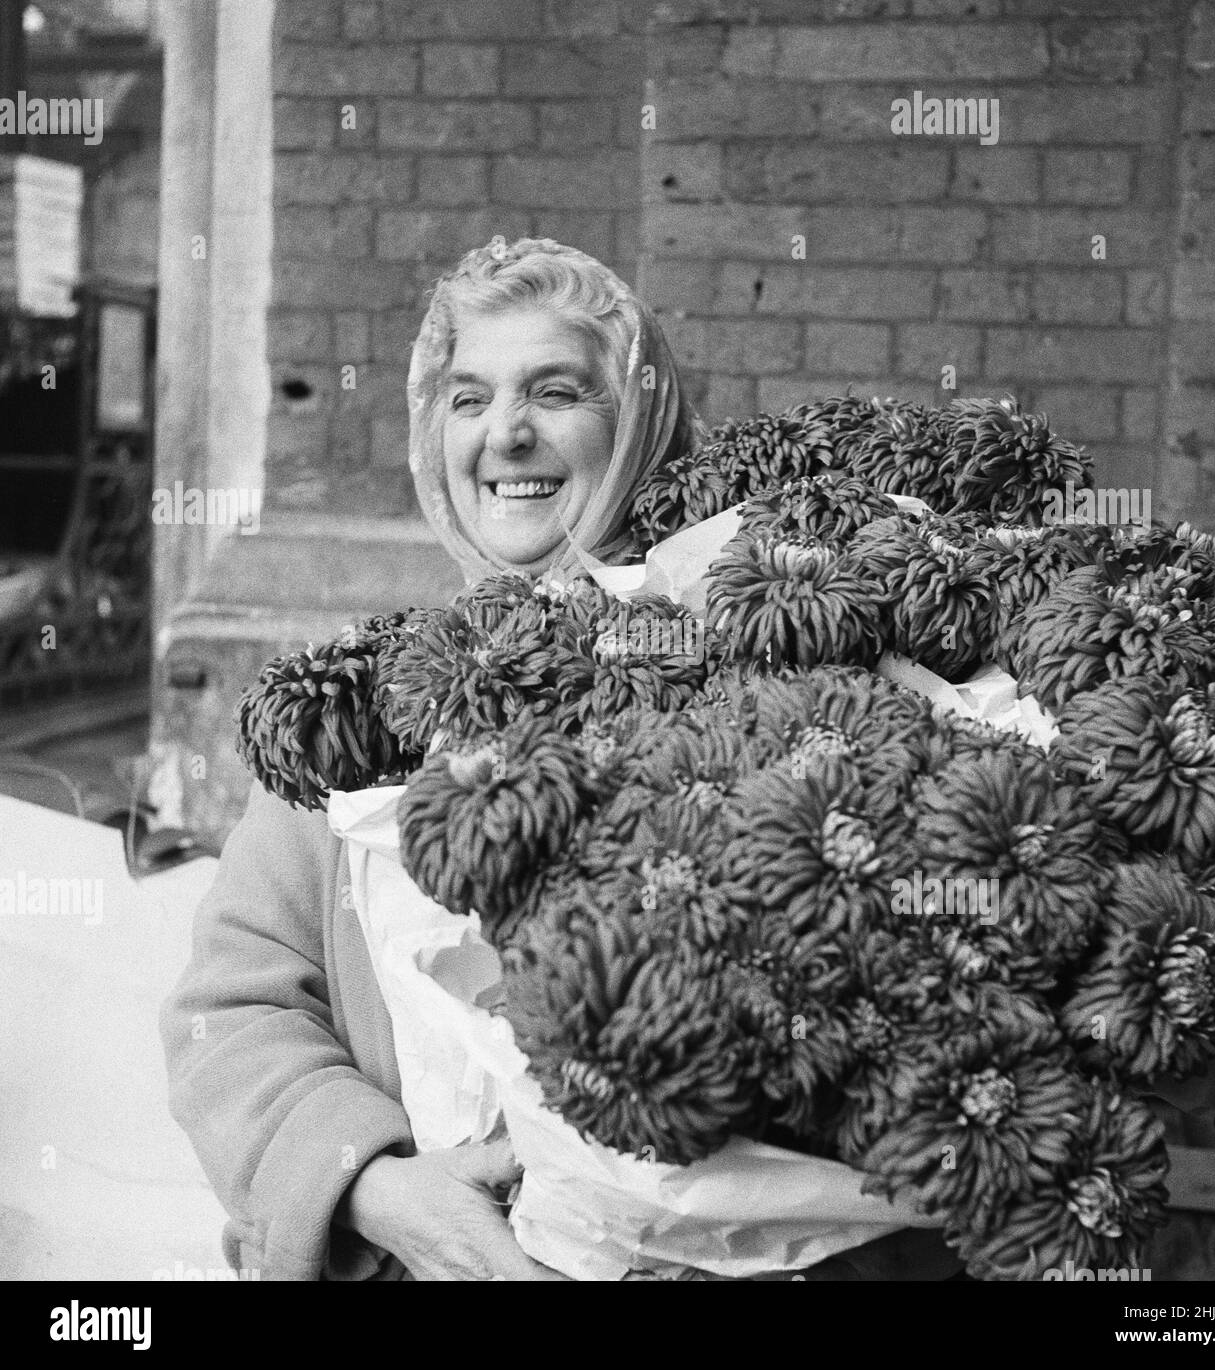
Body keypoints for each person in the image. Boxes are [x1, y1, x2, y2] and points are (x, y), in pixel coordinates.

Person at [161, 236, 962, 1281]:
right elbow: (231, 1010)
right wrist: (376, 1186)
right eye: (466, 398)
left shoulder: (782, 670)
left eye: (556, 391)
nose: (506, 433)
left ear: (638, 423)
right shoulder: (367, 708)